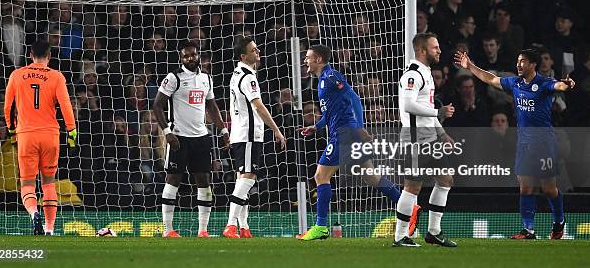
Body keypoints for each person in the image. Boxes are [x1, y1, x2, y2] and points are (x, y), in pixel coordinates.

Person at [297, 45, 418, 241]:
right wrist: (317, 126)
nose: (305, 61)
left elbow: (353, 98)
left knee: (321, 176)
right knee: (371, 177)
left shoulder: (330, 77)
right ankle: (408, 207)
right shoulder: (321, 81)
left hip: (345, 134)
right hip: (347, 132)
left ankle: (320, 226)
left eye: (308, 57)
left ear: (318, 59)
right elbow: (330, 113)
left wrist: (359, 127)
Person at [454, 48, 575, 239]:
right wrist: (470, 66)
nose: (519, 65)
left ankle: (559, 222)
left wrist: (567, 84)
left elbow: (559, 86)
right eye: (518, 61)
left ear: (533, 65)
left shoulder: (543, 83)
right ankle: (528, 230)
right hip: (524, 144)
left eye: (523, 61)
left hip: (544, 143)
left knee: (548, 189)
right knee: (525, 188)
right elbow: (491, 79)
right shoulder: (515, 83)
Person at [153, 41, 229, 238]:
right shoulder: (173, 78)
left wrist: (223, 131)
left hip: (202, 138)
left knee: (204, 181)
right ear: (181, 58)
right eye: (186, 56)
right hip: (179, 137)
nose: (190, 58)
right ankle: (167, 229)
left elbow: (212, 106)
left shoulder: (206, 78)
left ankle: (203, 230)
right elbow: (157, 106)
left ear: (198, 56)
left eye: (193, 55)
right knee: (173, 180)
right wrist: (167, 132)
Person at [3, 41, 77, 235]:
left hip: (26, 135)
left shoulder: (17, 75)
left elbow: (8, 108)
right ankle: (50, 228)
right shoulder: (56, 76)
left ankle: (34, 213)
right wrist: (72, 131)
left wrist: (11, 130)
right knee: (49, 183)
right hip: (50, 135)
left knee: (27, 183)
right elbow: (66, 106)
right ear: (49, 55)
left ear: (30, 54)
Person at [394, 33, 457, 247]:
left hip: (429, 138)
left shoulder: (426, 73)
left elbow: (425, 109)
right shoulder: (412, 75)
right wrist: (438, 112)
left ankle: (433, 232)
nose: (439, 51)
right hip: (414, 138)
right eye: (435, 47)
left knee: (446, 179)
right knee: (412, 187)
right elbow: (409, 106)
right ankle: (401, 236)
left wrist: (441, 133)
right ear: (422, 50)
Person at [222, 37, 286, 238]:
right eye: (253, 49)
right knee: (249, 177)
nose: (258, 51)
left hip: (240, 133)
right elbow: (258, 106)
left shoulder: (236, 73)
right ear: (243, 56)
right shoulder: (248, 77)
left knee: (243, 178)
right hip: (248, 134)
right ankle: (231, 225)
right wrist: (276, 129)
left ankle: (244, 226)